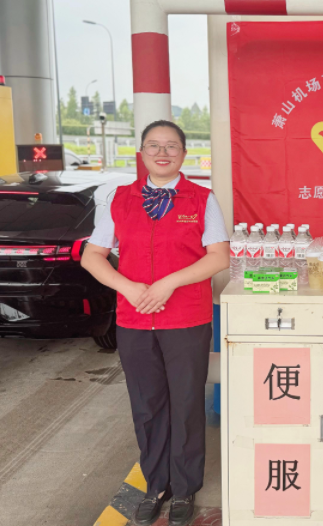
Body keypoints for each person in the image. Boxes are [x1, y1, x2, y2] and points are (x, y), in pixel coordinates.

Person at [82, 120, 230, 526]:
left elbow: (218, 256)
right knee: (147, 407)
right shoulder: (121, 199)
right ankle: (155, 486)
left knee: (185, 405)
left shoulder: (201, 199)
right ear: (142, 153)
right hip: (134, 320)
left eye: (171, 146)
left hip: (186, 319)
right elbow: (92, 256)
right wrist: (127, 287)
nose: (162, 153)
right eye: (154, 146)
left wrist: (169, 283)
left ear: (183, 153)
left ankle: (184, 489)